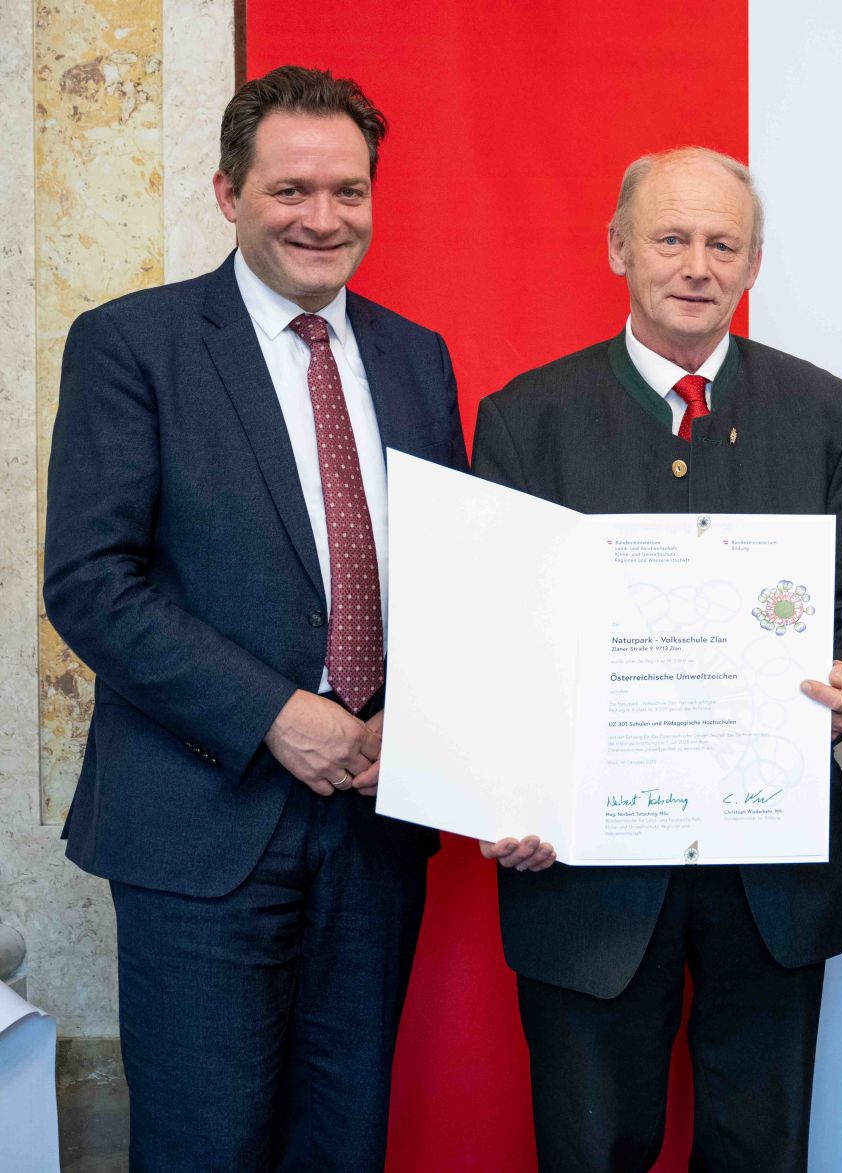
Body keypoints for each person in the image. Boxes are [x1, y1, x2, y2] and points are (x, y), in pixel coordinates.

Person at [42, 65, 468, 1170]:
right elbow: (92, 580)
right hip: (201, 824)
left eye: (348, 191)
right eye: (291, 190)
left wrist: (425, 732)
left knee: (343, 1143)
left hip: (376, 829)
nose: (322, 219)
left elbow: (449, 580)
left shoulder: (418, 359)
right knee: (204, 1147)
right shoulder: (131, 344)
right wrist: (277, 712)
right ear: (228, 192)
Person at [469, 146, 842, 1172]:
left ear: (752, 265)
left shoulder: (822, 409)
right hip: (582, 873)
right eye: (670, 238)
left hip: (768, 860)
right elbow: (495, 638)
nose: (696, 265)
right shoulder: (526, 418)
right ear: (618, 247)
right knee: (589, 1146)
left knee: (758, 1149)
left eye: (722, 244)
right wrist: (503, 793)